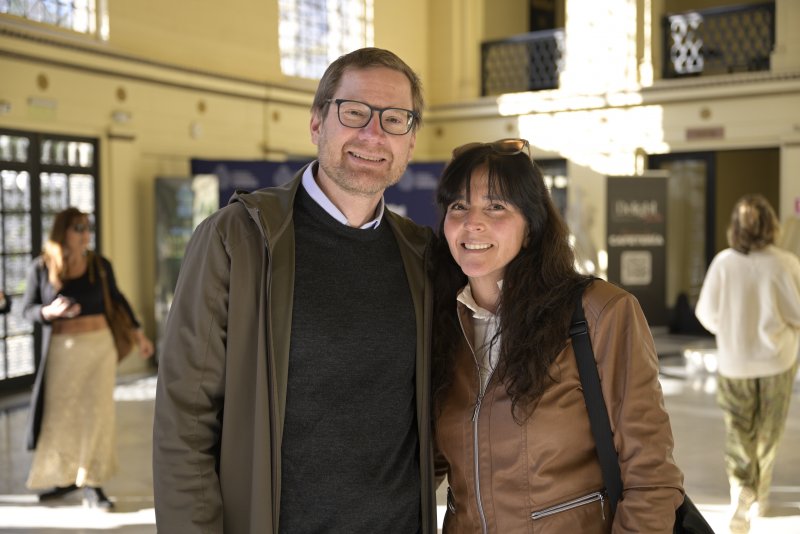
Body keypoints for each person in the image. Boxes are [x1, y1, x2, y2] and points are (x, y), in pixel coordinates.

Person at [152, 47, 436, 533]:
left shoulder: (422, 255)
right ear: (316, 123)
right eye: (354, 112)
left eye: (394, 119)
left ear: (410, 143)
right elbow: (186, 423)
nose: (373, 134)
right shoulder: (237, 239)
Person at [431, 139, 684, 533]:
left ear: (531, 227)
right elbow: (425, 464)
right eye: (458, 207)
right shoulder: (443, 323)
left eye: (496, 206)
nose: (472, 222)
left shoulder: (599, 312)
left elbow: (651, 474)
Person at [21, 207, 154, 510]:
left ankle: (93, 483)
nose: (85, 234)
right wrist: (47, 312)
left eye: (87, 227)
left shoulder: (99, 265)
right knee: (62, 417)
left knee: (97, 415)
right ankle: (67, 476)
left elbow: (118, 299)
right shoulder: (41, 267)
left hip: (99, 349)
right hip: (62, 353)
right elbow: (25, 309)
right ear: (62, 232)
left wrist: (139, 335)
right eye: (78, 228)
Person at [695, 194, 800, 534]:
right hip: (776, 363)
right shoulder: (785, 263)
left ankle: (741, 490)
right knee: (768, 434)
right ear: (771, 224)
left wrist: (730, 327)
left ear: (735, 228)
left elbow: (706, 314)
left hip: (734, 362)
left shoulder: (723, 263)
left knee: (739, 431)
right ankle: (761, 494)